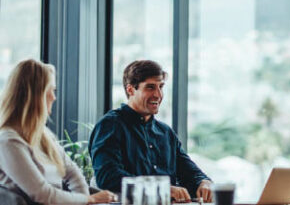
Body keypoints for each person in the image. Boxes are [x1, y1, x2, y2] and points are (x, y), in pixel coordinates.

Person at [89, 60, 213, 202]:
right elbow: (108, 177)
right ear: (130, 89)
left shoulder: (165, 132)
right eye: (150, 87)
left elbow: (189, 171)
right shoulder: (110, 125)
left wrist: (204, 182)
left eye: (161, 87)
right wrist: (161, 188)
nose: (158, 95)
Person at [0, 59, 116, 204]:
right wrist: (88, 199)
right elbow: (43, 194)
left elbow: (73, 174)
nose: (54, 97)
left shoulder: (43, 135)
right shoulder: (8, 142)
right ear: (35, 96)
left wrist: (85, 200)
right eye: (51, 90)